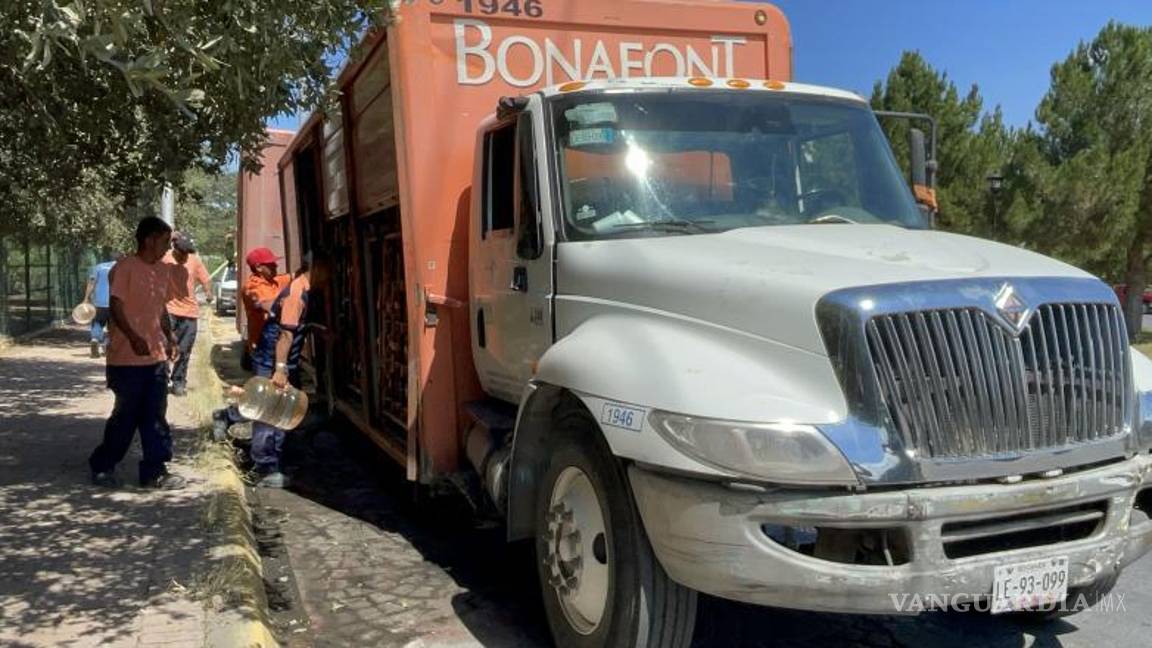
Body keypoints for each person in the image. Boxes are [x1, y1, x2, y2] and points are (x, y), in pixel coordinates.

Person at [88, 217, 185, 490]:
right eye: (165, 242)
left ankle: (154, 472)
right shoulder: (125, 268)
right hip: (126, 359)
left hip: (155, 358)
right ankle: (103, 465)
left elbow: (160, 309)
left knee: (155, 416)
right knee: (126, 416)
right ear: (149, 240)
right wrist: (133, 337)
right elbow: (116, 307)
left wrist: (170, 336)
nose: (168, 248)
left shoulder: (162, 271)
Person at [248, 258, 311, 489]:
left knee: (283, 409)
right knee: (268, 410)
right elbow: (285, 335)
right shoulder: (296, 293)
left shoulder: (301, 286)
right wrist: (280, 368)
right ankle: (265, 468)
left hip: (281, 358)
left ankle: (276, 460)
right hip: (273, 356)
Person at [164, 234, 213, 396]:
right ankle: (161, 380)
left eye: (187, 253)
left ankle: (178, 381)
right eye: (182, 253)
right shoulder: (164, 260)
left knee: (184, 350)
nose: (185, 256)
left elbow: (205, 279)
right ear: (174, 250)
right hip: (168, 311)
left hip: (189, 312)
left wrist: (208, 293)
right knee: (164, 348)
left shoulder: (194, 261)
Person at [241, 247, 291, 371]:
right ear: (258, 267)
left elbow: (296, 276)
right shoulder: (252, 287)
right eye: (271, 264)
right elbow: (268, 305)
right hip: (263, 346)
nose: (276, 265)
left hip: (276, 342)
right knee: (266, 381)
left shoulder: (276, 281)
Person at [83, 254, 119, 358]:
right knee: (113, 326)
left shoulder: (98, 267)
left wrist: (86, 298)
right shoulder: (121, 267)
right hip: (115, 302)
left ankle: (95, 339)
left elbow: (91, 283)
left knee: (97, 322)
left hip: (99, 302)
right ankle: (107, 346)